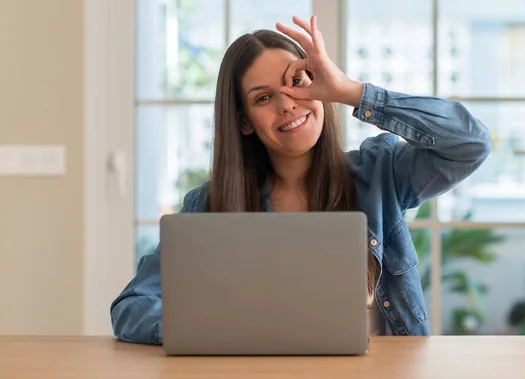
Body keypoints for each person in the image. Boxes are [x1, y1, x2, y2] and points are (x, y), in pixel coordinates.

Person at [110, 15, 492, 344]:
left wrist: (349, 91)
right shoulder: (208, 204)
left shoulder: (380, 172)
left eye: (298, 82)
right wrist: (211, 329)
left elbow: (471, 143)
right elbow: (132, 307)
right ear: (243, 121)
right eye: (263, 98)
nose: (288, 103)